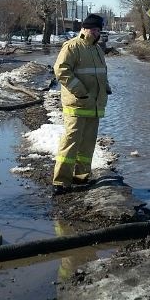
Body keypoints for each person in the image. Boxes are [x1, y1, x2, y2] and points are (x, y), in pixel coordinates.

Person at [51, 13, 112, 196]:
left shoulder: (97, 50)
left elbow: (101, 73)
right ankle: (61, 181)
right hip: (77, 105)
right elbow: (61, 70)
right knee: (70, 143)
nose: (96, 32)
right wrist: (81, 91)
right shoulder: (72, 47)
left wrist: (106, 88)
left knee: (87, 144)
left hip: (94, 105)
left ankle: (81, 176)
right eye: (93, 29)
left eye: (98, 29)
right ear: (84, 28)